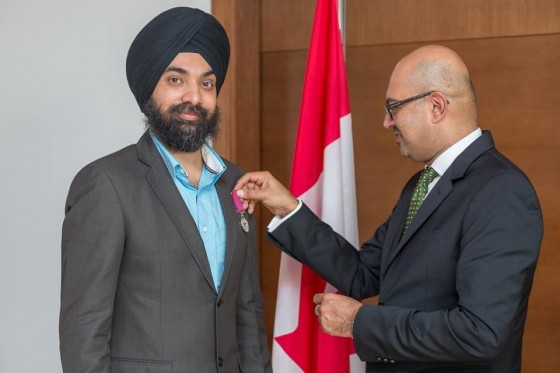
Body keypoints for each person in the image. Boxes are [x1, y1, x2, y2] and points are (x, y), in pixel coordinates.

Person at [235, 45, 543, 372]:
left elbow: (480, 331)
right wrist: (287, 206)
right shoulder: (421, 185)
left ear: (436, 106)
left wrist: (360, 322)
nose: (386, 122)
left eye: (393, 107)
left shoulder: (502, 191)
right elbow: (362, 272)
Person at [60, 7, 271, 372]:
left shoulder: (236, 183)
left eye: (207, 83)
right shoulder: (106, 185)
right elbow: (84, 332)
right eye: (176, 80)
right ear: (149, 90)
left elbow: (247, 313)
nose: (194, 97)